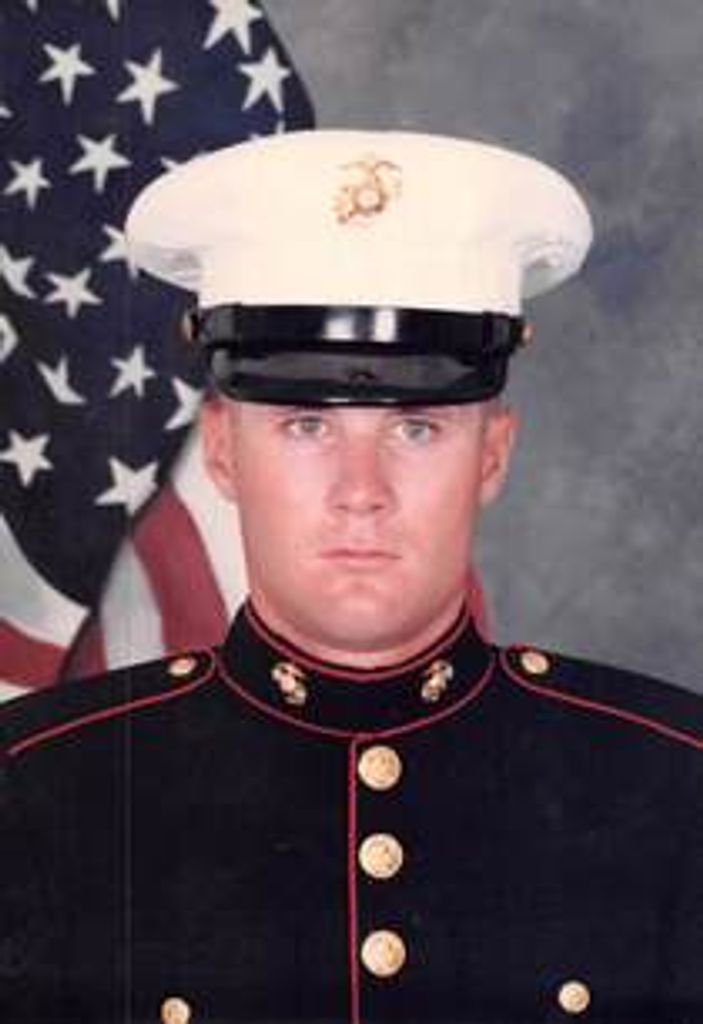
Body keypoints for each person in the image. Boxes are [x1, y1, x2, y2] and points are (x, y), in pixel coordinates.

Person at [1, 130, 702, 1024]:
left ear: (491, 455)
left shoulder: (671, 790)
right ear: (221, 451)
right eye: (305, 426)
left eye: (416, 428)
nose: (360, 491)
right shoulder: (34, 796)